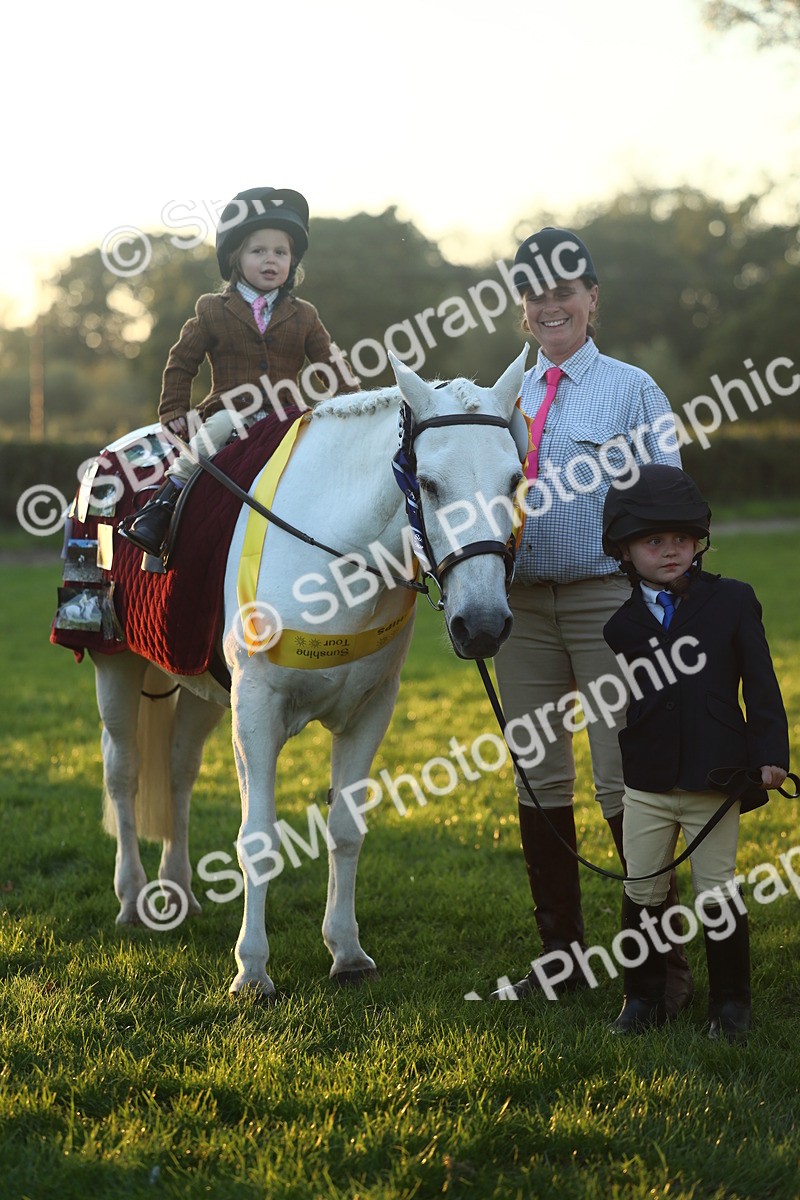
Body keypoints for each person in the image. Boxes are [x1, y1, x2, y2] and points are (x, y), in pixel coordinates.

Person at [491, 227, 694, 1008]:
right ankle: (561, 958)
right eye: (535, 293)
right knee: (539, 777)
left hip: (607, 600)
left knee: (625, 776)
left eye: (565, 291)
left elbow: (670, 498)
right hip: (520, 606)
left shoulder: (633, 388)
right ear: (522, 308)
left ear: (592, 299)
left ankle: (659, 968)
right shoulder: (499, 397)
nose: (551, 305)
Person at [601, 464, 790, 1040]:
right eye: (653, 542)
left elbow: (761, 684)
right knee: (642, 889)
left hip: (717, 777)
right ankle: (642, 1000)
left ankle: (731, 1007)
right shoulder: (622, 625)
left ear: (698, 541)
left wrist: (770, 752)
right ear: (626, 552)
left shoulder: (733, 601)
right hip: (648, 783)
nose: (670, 551)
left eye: (680, 539)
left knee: (718, 891)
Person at [121, 186, 358, 556]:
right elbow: (182, 363)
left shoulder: (305, 315)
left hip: (286, 415)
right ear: (236, 258)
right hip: (230, 414)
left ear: (292, 261)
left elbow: (331, 364)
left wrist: (356, 406)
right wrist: (173, 411)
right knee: (219, 424)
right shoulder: (213, 309)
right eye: (258, 250)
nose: (270, 260)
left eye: (281, 252)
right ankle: (165, 502)